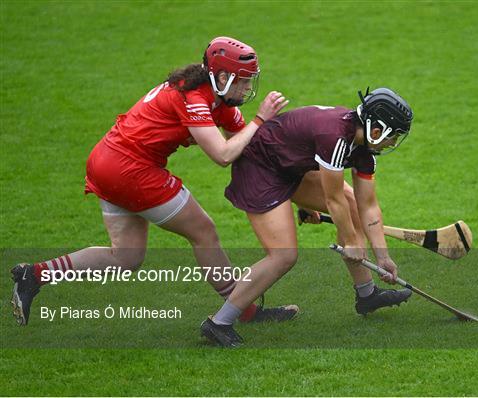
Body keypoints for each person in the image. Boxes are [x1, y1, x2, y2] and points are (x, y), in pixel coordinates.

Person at [10, 36, 297, 327]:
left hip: (106, 162)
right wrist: (260, 119)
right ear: (222, 77)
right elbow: (223, 155)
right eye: (244, 81)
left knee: (125, 257)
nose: (248, 88)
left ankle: (34, 275)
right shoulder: (193, 98)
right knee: (203, 231)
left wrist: (289, 165)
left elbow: (244, 143)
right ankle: (243, 310)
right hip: (130, 168)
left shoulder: (214, 94)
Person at [200, 87, 414, 347]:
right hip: (261, 168)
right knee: (284, 255)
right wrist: (350, 242)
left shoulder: (363, 151)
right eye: (395, 136)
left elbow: (368, 206)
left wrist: (383, 256)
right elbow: (332, 199)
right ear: (377, 131)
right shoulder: (335, 137)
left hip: (291, 165)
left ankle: (367, 295)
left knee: (353, 207)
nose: (393, 143)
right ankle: (219, 323)